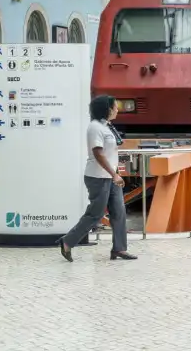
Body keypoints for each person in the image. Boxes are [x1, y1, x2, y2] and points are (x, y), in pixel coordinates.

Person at [58, 95, 136, 262]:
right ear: (106, 109)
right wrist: (114, 174)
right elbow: (98, 153)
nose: (117, 109)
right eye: (115, 106)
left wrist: (115, 173)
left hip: (110, 177)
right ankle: (67, 241)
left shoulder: (106, 126)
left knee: (119, 212)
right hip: (98, 177)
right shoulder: (94, 127)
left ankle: (119, 249)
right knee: (96, 214)